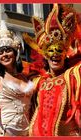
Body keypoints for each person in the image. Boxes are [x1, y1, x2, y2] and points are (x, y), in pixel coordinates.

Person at [23, 4, 81, 136]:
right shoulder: (39, 82)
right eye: (51, 50)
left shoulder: (73, 77)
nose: (55, 54)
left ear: (65, 53)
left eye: (60, 50)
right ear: (44, 54)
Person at [0, 20, 34, 136]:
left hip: (28, 131)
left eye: (8, 50)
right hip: (7, 131)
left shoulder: (26, 77)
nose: (5, 55)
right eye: (1, 53)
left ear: (15, 53)